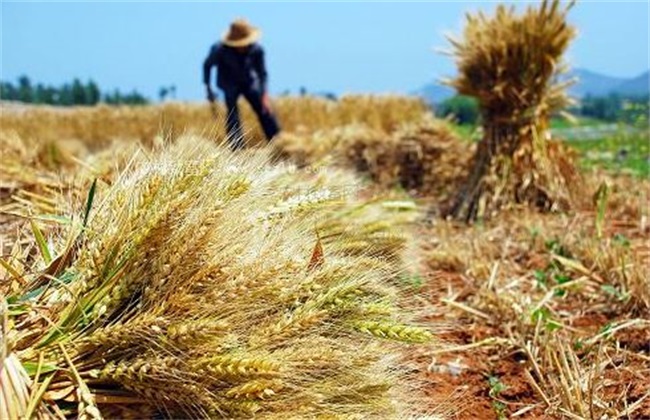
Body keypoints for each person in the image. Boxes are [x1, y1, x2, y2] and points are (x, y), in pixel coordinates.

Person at [203, 19, 281, 150]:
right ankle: (237, 148)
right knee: (232, 113)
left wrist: (264, 95)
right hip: (228, 82)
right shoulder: (219, 50)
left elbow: (262, 74)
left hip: (248, 81)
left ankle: (278, 143)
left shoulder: (257, 50)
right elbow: (207, 65)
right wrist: (207, 87)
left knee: (265, 110)